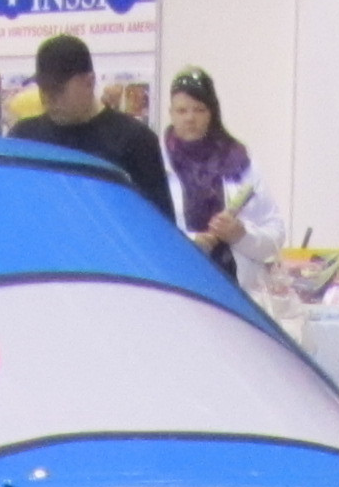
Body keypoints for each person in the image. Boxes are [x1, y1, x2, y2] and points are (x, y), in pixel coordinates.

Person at [159, 67, 283, 292]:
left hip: (236, 293)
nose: (190, 118)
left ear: (211, 113)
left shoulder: (239, 161)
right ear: (171, 112)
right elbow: (147, 235)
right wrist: (189, 242)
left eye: (199, 109)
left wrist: (241, 235)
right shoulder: (155, 163)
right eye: (182, 110)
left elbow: (275, 236)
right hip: (178, 288)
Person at [15, 32, 166, 210]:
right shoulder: (24, 138)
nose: (49, 98)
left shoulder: (135, 141)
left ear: (89, 82)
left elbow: (160, 224)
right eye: (43, 88)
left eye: (58, 89)